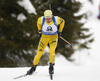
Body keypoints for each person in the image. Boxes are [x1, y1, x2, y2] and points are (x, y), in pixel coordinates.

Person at [27, 10, 65, 75]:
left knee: (52, 51)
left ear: (51, 16)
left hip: (53, 37)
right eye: (46, 18)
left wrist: (60, 31)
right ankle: (33, 68)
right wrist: (39, 31)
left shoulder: (56, 19)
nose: (48, 20)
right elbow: (38, 23)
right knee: (39, 53)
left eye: (49, 18)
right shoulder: (41, 19)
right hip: (44, 37)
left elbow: (63, 21)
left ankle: (51, 67)